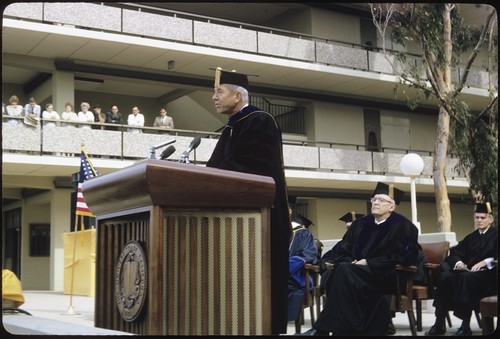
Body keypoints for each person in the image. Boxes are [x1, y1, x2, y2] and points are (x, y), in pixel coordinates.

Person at [206, 67, 291, 335]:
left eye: (219, 92)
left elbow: (250, 166)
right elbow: (215, 168)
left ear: (238, 96)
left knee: (260, 284)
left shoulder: (259, 120)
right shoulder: (230, 128)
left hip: (261, 218)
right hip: (238, 219)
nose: (214, 97)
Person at [296, 182, 419, 336]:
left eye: (381, 200)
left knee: (344, 271)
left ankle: (321, 330)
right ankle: (335, 329)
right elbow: (343, 248)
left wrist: (369, 262)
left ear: (392, 207)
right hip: (357, 274)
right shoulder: (361, 224)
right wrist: (335, 261)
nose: (376, 203)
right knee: (342, 268)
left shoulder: (403, 226)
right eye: (374, 199)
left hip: (385, 276)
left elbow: (406, 257)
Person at [425, 202, 497, 336]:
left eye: (483, 217)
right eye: (477, 218)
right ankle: (439, 322)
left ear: (490, 219)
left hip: (489, 276)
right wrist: (459, 262)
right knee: (445, 277)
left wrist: (485, 262)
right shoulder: (471, 237)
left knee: (465, 278)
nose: (479, 220)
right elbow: (455, 252)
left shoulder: (496, 235)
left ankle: (465, 326)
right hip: (469, 274)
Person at [288, 214, 319, 323]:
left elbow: (307, 256)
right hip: (297, 275)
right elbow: (310, 255)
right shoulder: (305, 233)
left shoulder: (302, 233)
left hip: (296, 275)